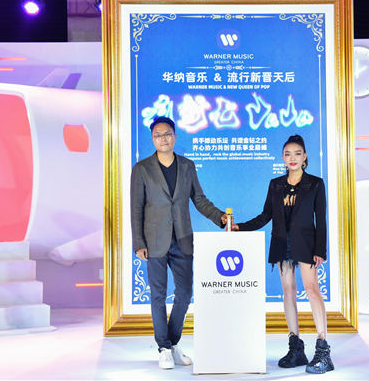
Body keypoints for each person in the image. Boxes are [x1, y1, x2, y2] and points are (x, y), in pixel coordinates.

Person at [131, 116, 227, 369]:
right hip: (154, 241)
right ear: (153, 139)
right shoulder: (142, 168)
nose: (163, 138)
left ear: (174, 137)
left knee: (184, 294)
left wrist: (220, 217)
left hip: (183, 239)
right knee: (158, 295)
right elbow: (136, 208)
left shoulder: (187, 166)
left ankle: (172, 343)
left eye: (167, 134)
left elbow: (200, 199)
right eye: (158, 135)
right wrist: (138, 242)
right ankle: (163, 347)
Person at [232, 134, 333, 374]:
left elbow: (321, 219)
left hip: (306, 244)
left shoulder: (315, 184)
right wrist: (240, 227)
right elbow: (265, 215)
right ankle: (295, 348)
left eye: (297, 153)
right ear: (282, 158)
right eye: (287, 154)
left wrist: (320, 250)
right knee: (288, 292)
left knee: (311, 290)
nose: (292, 158)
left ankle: (323, 350)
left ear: (305, 156)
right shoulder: (275, 184)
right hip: (281, 243)